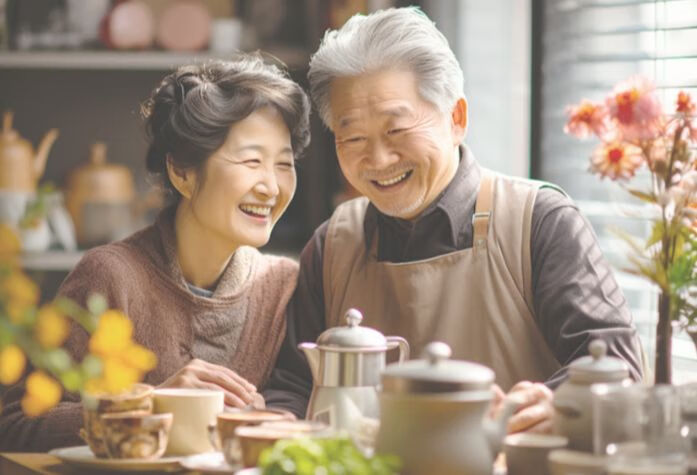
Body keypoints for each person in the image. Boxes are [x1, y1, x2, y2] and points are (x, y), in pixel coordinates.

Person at [263, 7, 644, 433]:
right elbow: (293, 385)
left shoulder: (539, 222)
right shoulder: (333, 244)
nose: (378, 159)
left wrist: (559, 402)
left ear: (457, 118)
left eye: (397, 130)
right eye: (353, 138)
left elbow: (617, 365)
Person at [0, 55, 310, 451]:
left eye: (284, 164)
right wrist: (153, 402)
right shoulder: (111, 277)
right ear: (182, 173)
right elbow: (15, 425)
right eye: (252, 161)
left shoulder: (282, 285)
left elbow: (294, 403)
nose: (271, 186)